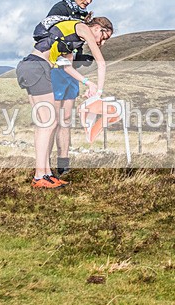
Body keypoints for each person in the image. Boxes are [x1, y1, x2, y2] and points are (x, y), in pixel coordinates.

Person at [16, 15, 113, 188]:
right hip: (36, 67)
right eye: (104, 37)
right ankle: (39, 177)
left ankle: (46, 174)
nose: (102, 42)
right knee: (49, 123)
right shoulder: (82, 27)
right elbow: (101, 63)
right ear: (98, 28)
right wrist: (99, 92)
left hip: (35, 67)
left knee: (45, 124)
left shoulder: (72, 40)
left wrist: (87, 83)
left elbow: (66, 67)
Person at [44, 0, 97, 178]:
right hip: (56, 70)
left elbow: (75, 42)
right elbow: (50, 38)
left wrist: (80, 56)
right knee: (53, 121)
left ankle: (63, 164)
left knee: (66, 119)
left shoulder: (82, 15)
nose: (88, 1)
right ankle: (44, 165)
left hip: (71, 72)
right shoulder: (60, 9)